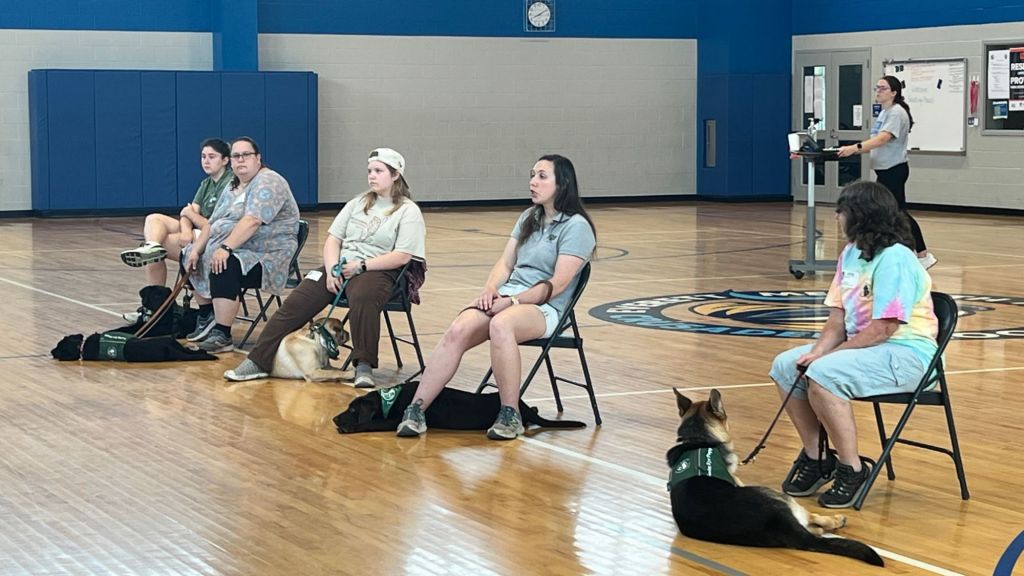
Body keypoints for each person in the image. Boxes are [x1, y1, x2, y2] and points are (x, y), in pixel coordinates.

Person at [395, 154, 596, 441]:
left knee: (501, 324)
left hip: (546, 308)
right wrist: (490, 289)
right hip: (509, 296)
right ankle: (417, 408)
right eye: (532, 175)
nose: (533, 182)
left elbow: (558, 284)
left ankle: (510, 415)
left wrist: (513, 302)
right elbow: (505, 264)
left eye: (542, 176)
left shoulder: (577, 226)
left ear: (562, 184)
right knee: (459, 329)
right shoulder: (528, 218)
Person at [768, 180, 938, 509]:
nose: (836, 217)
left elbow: (884, 328)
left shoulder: (896, 258)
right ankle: (817, 457)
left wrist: (828, 358)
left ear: (862, 215)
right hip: (866, 349)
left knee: (824, 373)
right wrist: (817, 352)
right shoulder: (851, 253)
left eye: (841, 210)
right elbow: (837, 319)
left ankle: (852, 468)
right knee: (786, 366)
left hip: (908, 355)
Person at [225, 148, 426, 386]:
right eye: (370, 171)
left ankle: (363, 366)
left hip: (378, 269)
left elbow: (402, 256)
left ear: (395, 175)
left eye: (378, 171)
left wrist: (361, 266)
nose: (371, 175)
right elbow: (333, 240)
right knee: (297, 300)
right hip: (342, 266)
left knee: (364, 297)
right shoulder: (357, 203)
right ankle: (258, 361)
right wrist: (331, 270)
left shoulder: (408, 211)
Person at [184, 136, 300, 353]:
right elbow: (212, 223)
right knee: (190, 254)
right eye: (236, 156)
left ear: (258, 158)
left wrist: (225, 248)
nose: (240, 160)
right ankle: (207, 315)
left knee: (225, 263)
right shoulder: (233, 185)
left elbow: (252, 220)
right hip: (241, 246)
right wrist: (196, 249)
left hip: (268, 253)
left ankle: (222, 333)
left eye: (246, 155)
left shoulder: (269, 181)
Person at [836, 75, 936, 270]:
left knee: (897, 212)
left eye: (883, 88)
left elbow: (882, 139)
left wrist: (854, 148)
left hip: (894, 170)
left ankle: (923, 254)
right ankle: (891, 250)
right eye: (877, 88)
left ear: (894, 92)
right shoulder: (885, 112)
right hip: (884, 170)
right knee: (888, 211)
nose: (878, 91)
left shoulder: (896, 113)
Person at [120, 138, 233, 287]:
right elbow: (186, 214)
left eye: (212, 157)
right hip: (197, 229)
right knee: (154, 219)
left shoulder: (231, 183)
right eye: (203, 156)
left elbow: (209, 223)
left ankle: (156, 298)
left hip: (213, 235)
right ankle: (152, 246)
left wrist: (190, 215)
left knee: (159, 249)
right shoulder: (206, 184)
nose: (206, 161)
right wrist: (186, 231)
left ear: (225, 160)